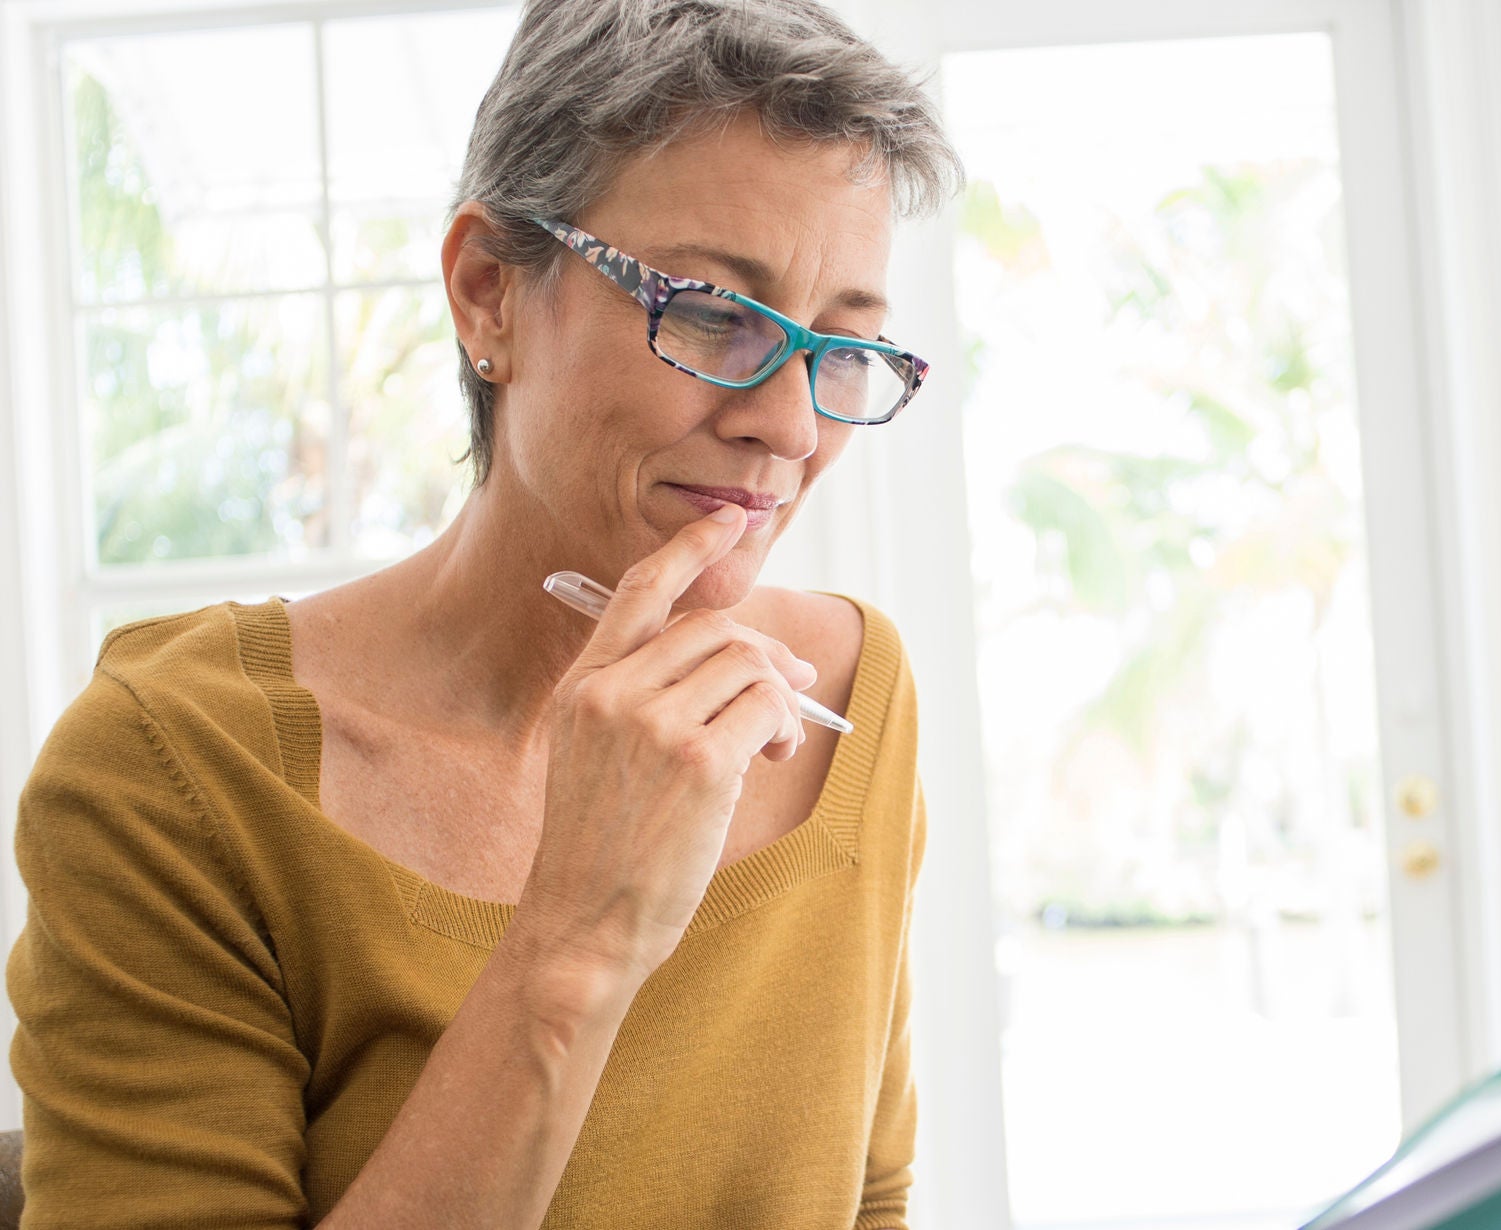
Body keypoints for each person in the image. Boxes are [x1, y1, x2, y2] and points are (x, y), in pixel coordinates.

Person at [6, 1, 961, 1225]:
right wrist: (576, 942)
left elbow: (863, 1198)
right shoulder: (172, 770)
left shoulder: (847, 698)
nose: (790, 429)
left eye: (842, 348)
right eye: (716, 313)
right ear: (487, 295)